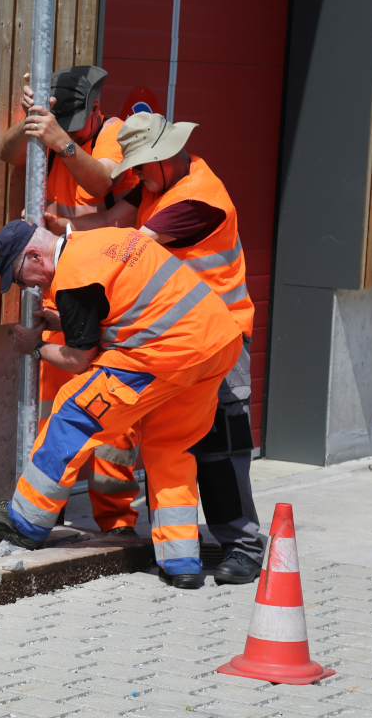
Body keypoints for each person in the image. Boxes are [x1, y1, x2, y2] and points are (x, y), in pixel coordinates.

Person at [0, 217, 243, 588]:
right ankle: (182, 562)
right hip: (216, 342)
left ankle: (26, 522)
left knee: (73, 411)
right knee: (169, 446)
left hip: (166, 351)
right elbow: (123, 305)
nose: (29, 288)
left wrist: (35, 347)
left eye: (21, 278)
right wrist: (65, 319)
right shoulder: (102, 241)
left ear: (35, 256)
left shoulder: (73, 277)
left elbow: (78, 360)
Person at [67, 112, 264, 585]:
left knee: (221, 446)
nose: (136, 177)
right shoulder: (156, 184)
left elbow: (133, 246)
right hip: (177, 341)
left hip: (222, 340)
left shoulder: (199, 198)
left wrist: (72, 263)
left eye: (142, 167)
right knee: (168, 447)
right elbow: (109, 220)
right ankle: (177, 553)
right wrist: (57, 228)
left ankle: (243, 547)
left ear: (168, 155)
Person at [0, 67, 140, 534]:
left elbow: (104, 187)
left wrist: (62, 142)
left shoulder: (112, 134)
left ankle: (116, 523)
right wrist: (31, 119)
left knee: (111, 426)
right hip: (67, 289)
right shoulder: (52, 132)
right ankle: (43, 509)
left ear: (97, 110)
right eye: (64, 121)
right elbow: (6, 153)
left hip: (106, 295)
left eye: (79, 121)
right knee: (55, 409)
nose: (72, 127)